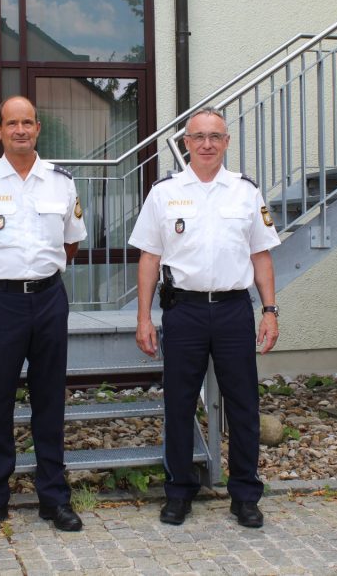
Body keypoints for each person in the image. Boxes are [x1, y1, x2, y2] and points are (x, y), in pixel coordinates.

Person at [128, 107, 280, 528]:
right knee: (178, 404)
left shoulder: (246, 192)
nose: (208, 144)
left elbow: (261, 255)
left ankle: (245, 495)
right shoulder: (164, 192)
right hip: (185, 311)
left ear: (227, 142)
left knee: (244, 405)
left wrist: (269, 311)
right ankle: (178, 492)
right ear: (186, 144)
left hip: (234, 310)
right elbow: (148, 256)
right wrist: (144, 317)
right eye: (199, 137)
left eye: (216, 136)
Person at [0, 95, 87, 537]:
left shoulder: (61, 182)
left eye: (28, 122)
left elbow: (71, 243)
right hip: (1, 303)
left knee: (50, 400)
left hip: (48, 300)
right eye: (13, 123)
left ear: (38, 128)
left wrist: (39, 273)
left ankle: (54, 498)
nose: (21, 130)